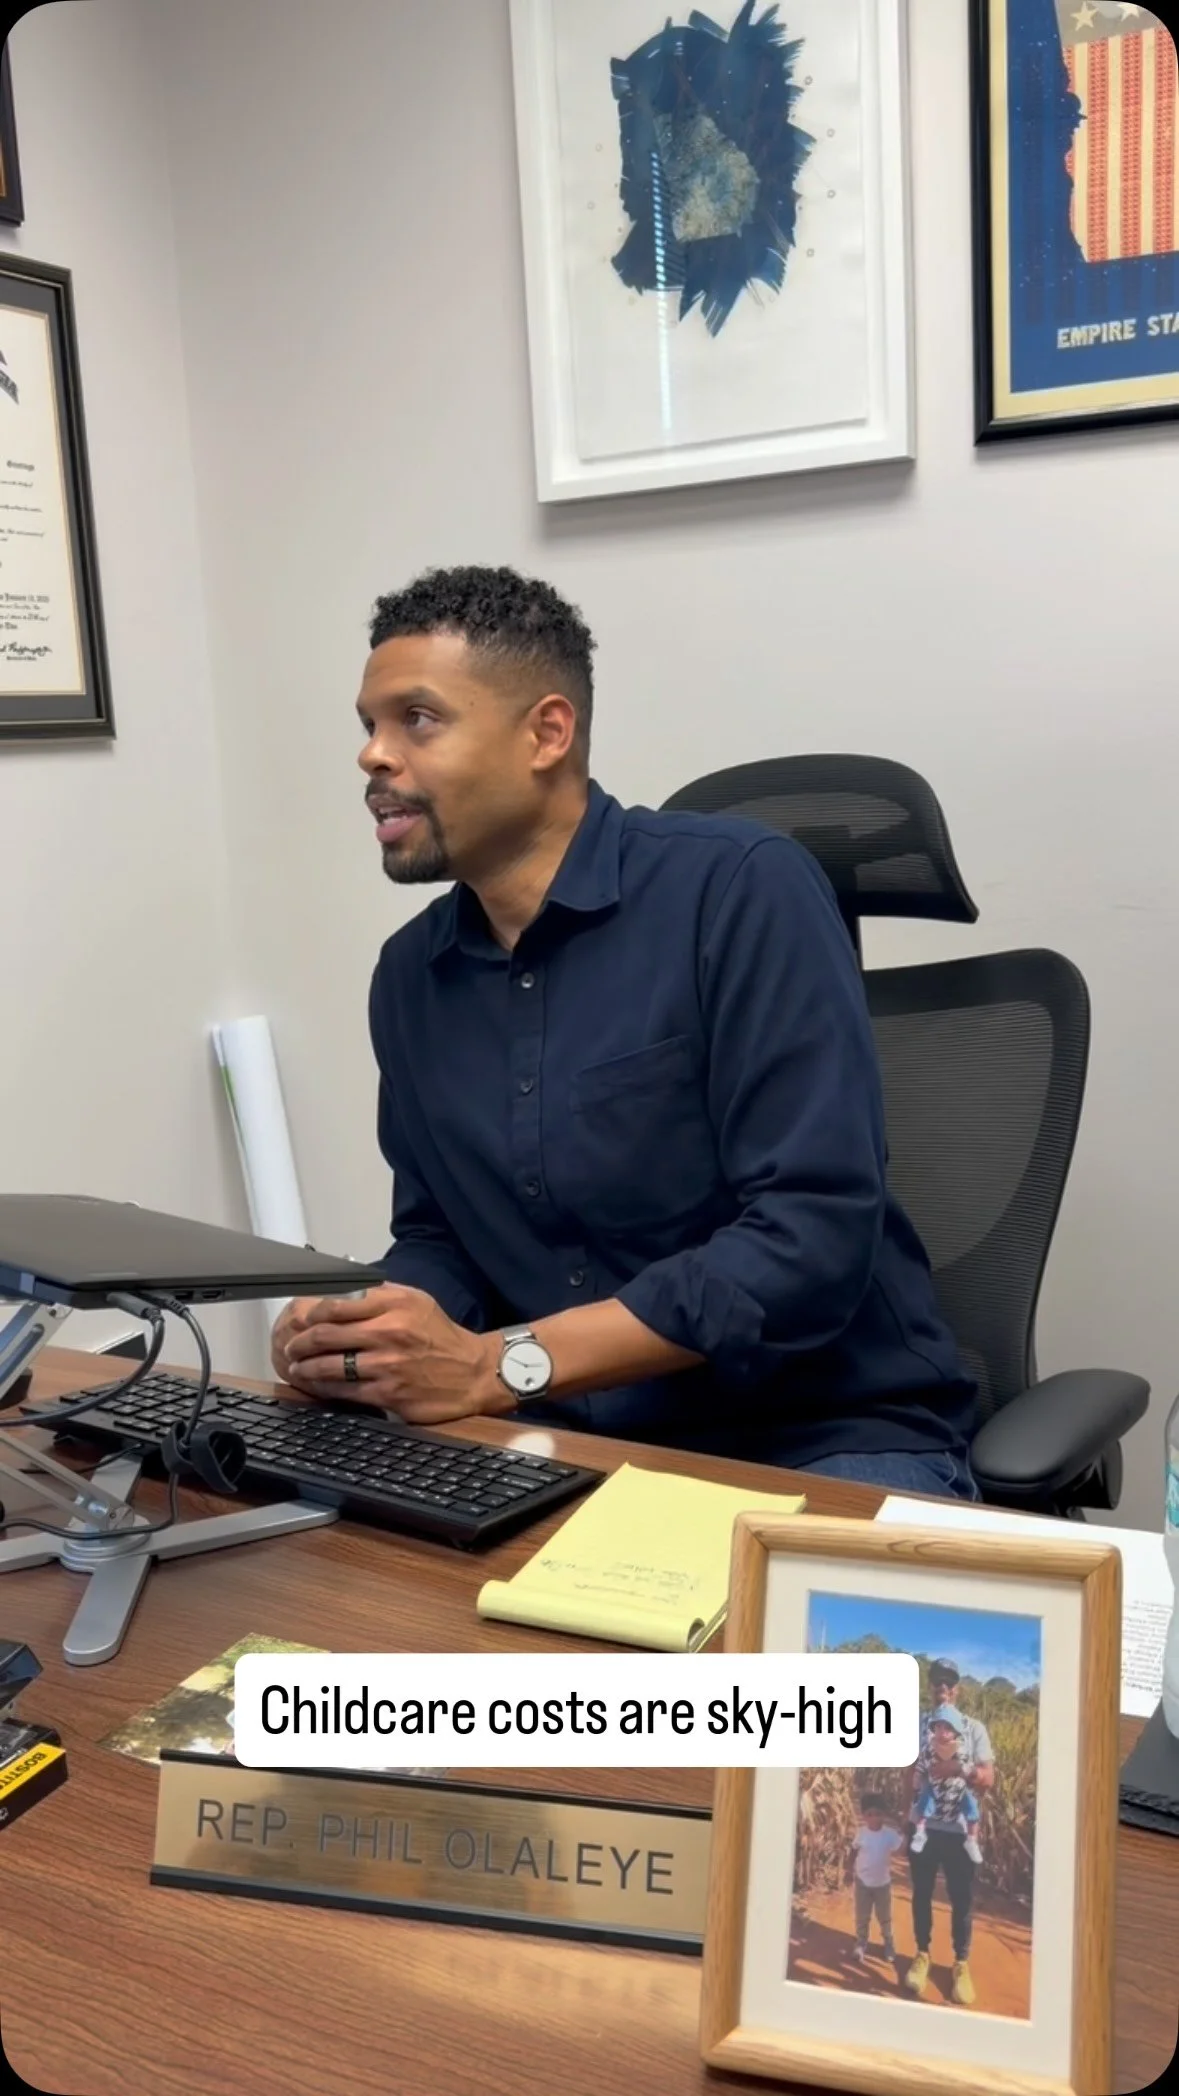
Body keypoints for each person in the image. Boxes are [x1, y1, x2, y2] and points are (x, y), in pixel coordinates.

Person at [272, 565, 979, 1490]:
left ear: (546, 733)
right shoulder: (412, 975)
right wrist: (365, 1330)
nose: (373, 755)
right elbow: (442, 1238)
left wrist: (499, 1364)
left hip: (817, 1432)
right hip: (562, 1436)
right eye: (368, 725)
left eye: (418, 719)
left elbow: (807, 1239)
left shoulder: (739, 888)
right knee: (303, 1552)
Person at [906, 1658, 996, 2007]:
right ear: (929, 1686)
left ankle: (960, 1962)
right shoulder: (918, 1724)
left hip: (959, 1833)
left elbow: (988, 1778)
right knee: (921, 1894)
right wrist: (908, 1812)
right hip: (924, 1827)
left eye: (949, 1681)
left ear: (957, 1689)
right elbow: (909, 1772)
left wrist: (960, 1768)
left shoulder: (974, 1729)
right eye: (936, 1680)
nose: (942, 1686)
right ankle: (922, 1954)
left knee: (961, 1899)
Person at [910, 1705, 983, 1865]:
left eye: (948, 1728)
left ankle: (971, 1840)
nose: (942, 1731)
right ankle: (920, 1833)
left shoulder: (961, 1750)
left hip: (957, 1790)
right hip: (935, 1788)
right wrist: (917, 1777)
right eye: (938, 1727)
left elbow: (969, 1767)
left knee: (972, 1807)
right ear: (933, 1729)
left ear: (956, 1732)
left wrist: (960, 1769)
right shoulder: (929, 1749)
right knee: (924, 1802)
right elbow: (921, 1764)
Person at [846, 1792, 902, 1963]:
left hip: (882, 1885)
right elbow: (854, 1850)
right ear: (864, 1816)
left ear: (883, 1815)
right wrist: (849, 1871)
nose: (874, 1818)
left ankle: (889, 1943)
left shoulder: (890, 1834)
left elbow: (901, 1849)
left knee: (884, 1917)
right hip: (862, 1882)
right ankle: (861, 1942)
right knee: (862, 1915)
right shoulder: (861, 1833)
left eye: (878, 1814)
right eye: (869, 1814)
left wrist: (907, 1831)